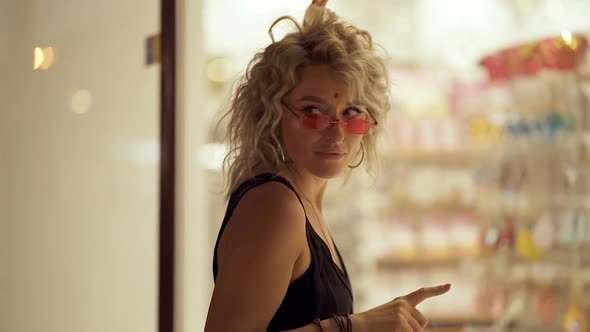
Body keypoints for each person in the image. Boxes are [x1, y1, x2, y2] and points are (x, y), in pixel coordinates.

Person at [205, 1, 451, 331]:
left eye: (352, 113)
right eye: (312, 112)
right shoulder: (276, 207)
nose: (336, 133)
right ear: (274, 115)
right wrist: (356, 326)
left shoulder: (304, 201)